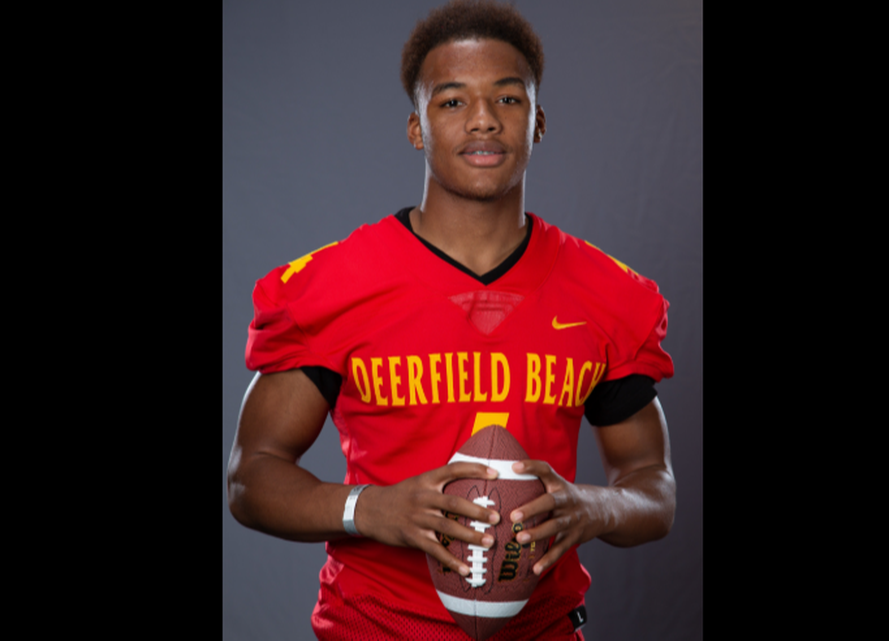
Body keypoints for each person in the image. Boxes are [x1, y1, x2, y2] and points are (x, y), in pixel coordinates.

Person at [227, 1, 675, 638]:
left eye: (508, 99)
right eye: (453, 101)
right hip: (376, 625)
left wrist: (597, 505)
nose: (485, 120)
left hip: (543, 627)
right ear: (417, 127)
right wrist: (370, 508)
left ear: (538, 120)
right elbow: (251, 477)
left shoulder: (608, 293)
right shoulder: (333, 286)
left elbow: (653, 486)